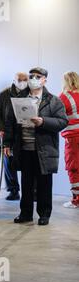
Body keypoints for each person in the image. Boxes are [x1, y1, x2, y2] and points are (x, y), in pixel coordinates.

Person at [4, 67, 68, 226]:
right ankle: (25, 213)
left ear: (45, 80)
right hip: (24, 147)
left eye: (38, 76)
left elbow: (62, 122)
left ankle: (44, 214)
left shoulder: (53, 100)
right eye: (31, 76)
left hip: (44, 149)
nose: (33, 79)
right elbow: (10, 122)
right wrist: (8, 143)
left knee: (44, 183)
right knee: (25, 182)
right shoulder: (20, 98)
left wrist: (43, 121)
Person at [0, 72, 29, 200]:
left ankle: (31, 191)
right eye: (19, 79)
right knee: (9, 163)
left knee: (29, 163)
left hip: (26, 134)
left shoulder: (31, 93)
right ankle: (13, 190)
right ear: (14, 80)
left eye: (25, 80)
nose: (22, 82)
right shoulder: (4, 94)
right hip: (8, 134)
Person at [59, 71, 79, 209]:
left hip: (73, 137)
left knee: (73, 168)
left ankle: (76, 200)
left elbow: (57, 116)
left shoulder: (64, 97)